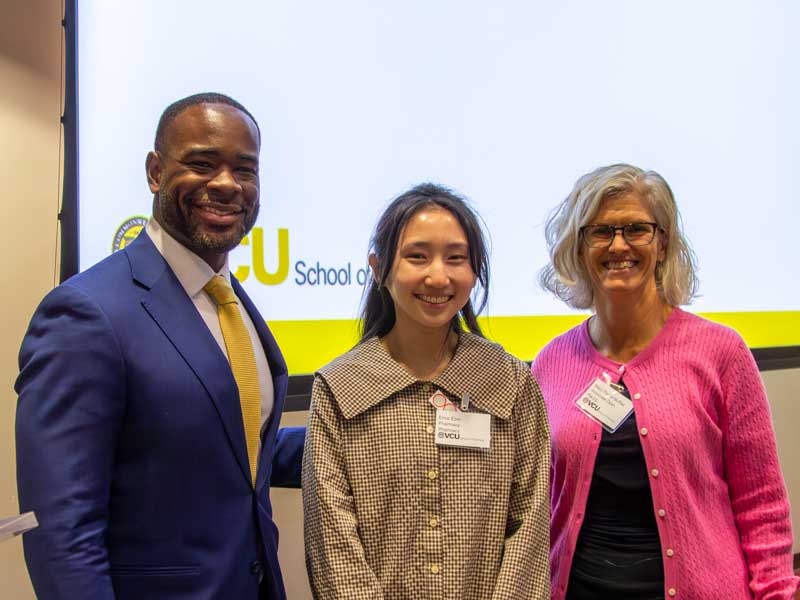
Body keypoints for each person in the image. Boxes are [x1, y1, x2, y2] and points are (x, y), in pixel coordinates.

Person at [15, 92, 304, 600]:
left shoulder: (230, 302)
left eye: (245, 169)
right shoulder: (86, 313)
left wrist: (376, 436)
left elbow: (232, 445)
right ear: (155, 172)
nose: (225, 184)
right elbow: (63, 534)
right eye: (201, 163)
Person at [533, 163, 799, 600]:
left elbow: (762, 506)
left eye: (636, 228)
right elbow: (540, 504)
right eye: (601, 232)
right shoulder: (551, 363)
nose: (619, 245)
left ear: (663, 242)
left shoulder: (721, 353)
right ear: (579, 248)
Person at [302, 183, 551, 599]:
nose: (438, 276)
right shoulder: (340, 388)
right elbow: (332, 543)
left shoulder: (509, 382)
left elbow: (531, 525)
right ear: (379, 266)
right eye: (417, 256)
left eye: (457, 258)